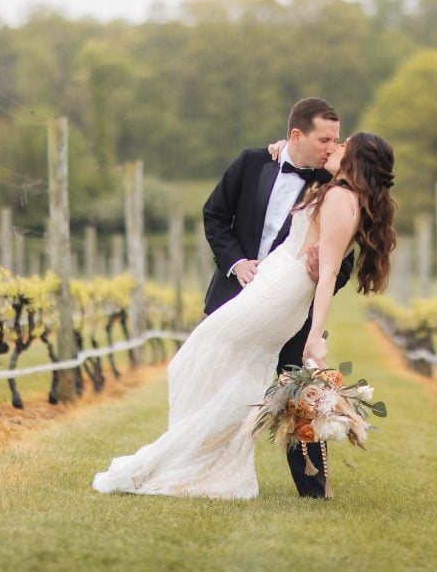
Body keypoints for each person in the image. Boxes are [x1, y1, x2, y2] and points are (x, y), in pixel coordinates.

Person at [92, 131, 397, 501]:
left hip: (279, 293)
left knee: (195, 361)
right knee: (235, 377)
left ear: (356, 160)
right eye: (331, 141)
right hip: (273, 284)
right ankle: (202, 462)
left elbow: (330, 271)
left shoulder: (338, 197)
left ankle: (180, 460)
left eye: (342, 145)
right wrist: (281, 148)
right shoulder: (343, 194)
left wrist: (316, 335)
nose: (334, 147)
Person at [200, 97, 355, 497]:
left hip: (292, 307)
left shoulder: (334, 184)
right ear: (296, 135)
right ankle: (204, 470)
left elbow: (345, 259)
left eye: (336, 140)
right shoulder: (252, 162)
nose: (332, 148)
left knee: (302, 390)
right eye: (325, 139)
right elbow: (215, 215)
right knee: (220, 389)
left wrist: (319, 278)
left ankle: (313, 487)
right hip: (236, 297)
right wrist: (237, 263)